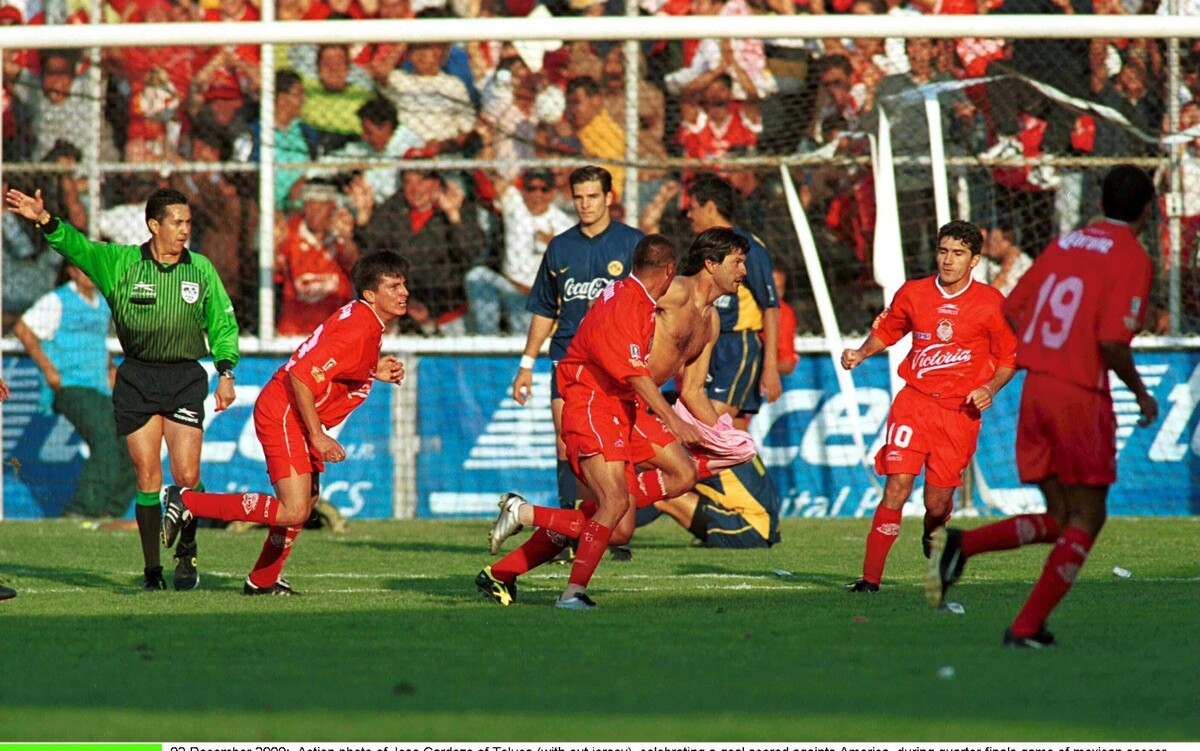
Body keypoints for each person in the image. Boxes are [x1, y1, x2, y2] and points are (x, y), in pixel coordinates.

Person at [926, 166, 1159, 648]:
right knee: (1087, 517)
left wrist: (1048, 346)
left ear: (1101, 201)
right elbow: (1112, 342)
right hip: (1078, 394)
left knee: (1060, 517)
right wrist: (1140, 392)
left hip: (1036, 391)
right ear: (1147, 210)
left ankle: (963, 545)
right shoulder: (1132, 256)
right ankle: (1025, 626)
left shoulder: (1067, 243)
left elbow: (1012, 308)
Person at [479, 228, 749, 607]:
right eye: (738, 262)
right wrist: (673, 421)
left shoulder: (711, 323)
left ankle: (505, 564)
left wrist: (722, 437)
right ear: (709, 264)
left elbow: (692, 392)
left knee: (666, 489)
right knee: (614, 509)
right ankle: (568, 586)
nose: (743, 271)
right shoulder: (670, 291)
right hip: (601, 400)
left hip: (633, 407)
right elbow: (613, 308)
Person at [5, 186, 239, 592]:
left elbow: (222, 322)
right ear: (154, 226)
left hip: (184, 378)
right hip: (138, 380)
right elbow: (77, 247)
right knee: (147, 477)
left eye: (188, 222)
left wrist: (226, 372)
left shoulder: (200, 269)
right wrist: (43, 219)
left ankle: (188, 553)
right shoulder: (121, 263)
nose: (185, 230)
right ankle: (152, 570)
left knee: (187, 476)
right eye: (177, 222)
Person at [160, 252, 411, 595]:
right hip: (285, 411)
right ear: (370, 294)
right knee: (293, 509)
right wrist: (317, 435)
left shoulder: (365, 321)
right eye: (394, 286)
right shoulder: (358, 327)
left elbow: (332, 362)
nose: (404, 292)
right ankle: (187, 502)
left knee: (306, 502)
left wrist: (372, 370)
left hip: (296, 413)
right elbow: (301, 377)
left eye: (403, 284)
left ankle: (262, 580)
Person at [841, 220, 1018, 593]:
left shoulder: (990, 304)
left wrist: (989, 388)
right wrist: (861, 352)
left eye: (958, 254)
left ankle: (934, 530)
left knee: (936, 502)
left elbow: (1008, 359)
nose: (948, 260)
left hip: (959, 413)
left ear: (974, 260)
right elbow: (888, 330)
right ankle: (870, 579)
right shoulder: (914, 293)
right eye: (943, 251)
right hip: (915, 404)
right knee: (897, 485)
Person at [512, 165, 644, 513]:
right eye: (579, 197)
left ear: (609, 198)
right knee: (567, 443)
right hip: (569, 357)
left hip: (615, 360)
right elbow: (544, 309)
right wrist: (526, 365)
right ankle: (569, 526)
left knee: (619, 444)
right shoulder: (560, 247)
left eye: (593, 197)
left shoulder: (632, 244)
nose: (585, 204)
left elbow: (651, 304)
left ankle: (610, 520)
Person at [14, 263, 139, 519]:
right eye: (84, 269)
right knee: (105, 442)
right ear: (72, 271)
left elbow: (95, 344)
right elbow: (23, 329)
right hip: (71, 386)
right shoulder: (58, 300)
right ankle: (79, 511)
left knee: (131, 447)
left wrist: (110, 368)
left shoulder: (102, 305)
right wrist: (49, 369)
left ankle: (110, 512)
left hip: (100, 388)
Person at [686, 173, 782, 429]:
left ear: (710, 207)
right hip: (708, 345)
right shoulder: (700, 249)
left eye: (693, 208)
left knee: (708, 428)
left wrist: (770, 365)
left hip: (737, 347)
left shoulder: (748, 248)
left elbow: (771, 306)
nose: (689, 215)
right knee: (734, 436)